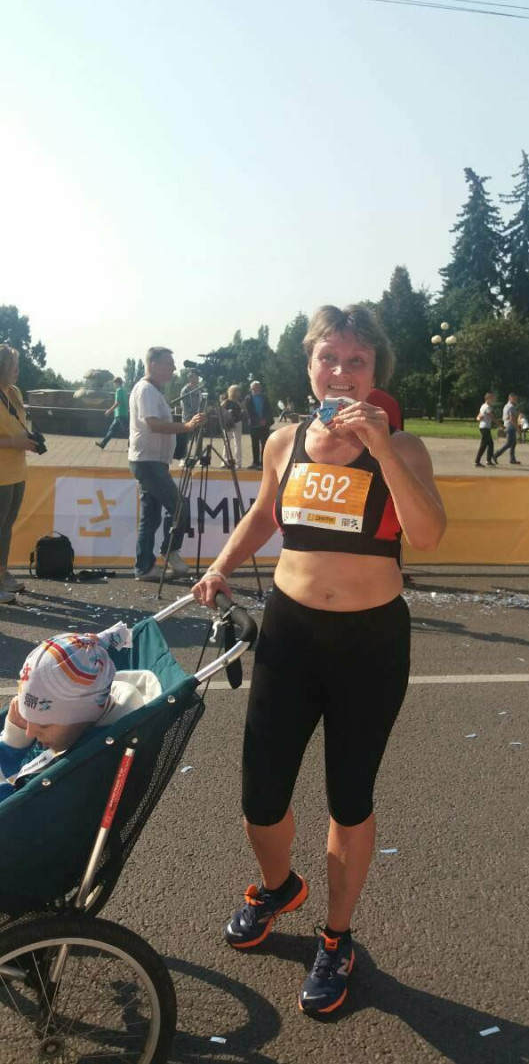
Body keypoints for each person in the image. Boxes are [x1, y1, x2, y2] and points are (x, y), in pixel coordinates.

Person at [193, 304, 446, 1016]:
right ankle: (279, 887)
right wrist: (220, 565)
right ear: (309, 366)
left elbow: (428, 535)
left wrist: (383, 449)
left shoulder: (406, 447)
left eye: (356, 361)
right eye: (328, 358)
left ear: (374, 373)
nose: (341, 371)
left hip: (370, 643)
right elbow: (264, 515)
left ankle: (336, 936)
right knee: (261, 794)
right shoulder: (284, 441)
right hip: (291, 633)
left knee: (349, 796)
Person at [0, 622, 160, 803]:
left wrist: (12, 747)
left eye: (43, 725)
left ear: (85, 714)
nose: (29, 732)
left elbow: (21, 807)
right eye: (26, 717)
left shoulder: (88, 762)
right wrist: (15, 737)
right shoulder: (73, 729)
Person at [128, 347, 206, 582]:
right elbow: (153, 424)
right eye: (169, 363)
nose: (173, 368)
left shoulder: (152, 390)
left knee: (150, 517)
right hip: (148, 461)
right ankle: (169, 551)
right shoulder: (146, 390)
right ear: (153, 364)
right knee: (179, 506)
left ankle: (144, 567)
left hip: (151, 460)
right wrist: (187, 426)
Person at [0, 345, 40, 605]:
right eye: (13, 366)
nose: (18, 371)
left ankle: (2, 574)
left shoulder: (13, 392)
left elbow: (19, 423)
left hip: (17, 470)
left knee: (6, 527)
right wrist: (14, 443)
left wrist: (29, 440)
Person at [245, 381, 274, 470]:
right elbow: (249, 412)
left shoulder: (265, 398)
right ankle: (255, 463)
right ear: (251, 389)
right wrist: (258, 421)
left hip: (264, 425)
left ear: (260, 388)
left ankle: (264, 464)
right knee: (255, 445)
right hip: (254, 425)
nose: (256, 389)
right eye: (254, 388)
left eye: (258, 387)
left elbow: (268, 410)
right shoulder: (248, 399)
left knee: (265, 445)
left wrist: (265, 420)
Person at [96, 376, 129, 450]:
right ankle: (103, 444)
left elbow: (117, 403)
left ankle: (132, 447)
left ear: (117, 383)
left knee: (127, 431)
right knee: (112, 430)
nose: (114, 384)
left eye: (114, 383)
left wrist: (109, 411)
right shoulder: (124, 390)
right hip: (121, 414)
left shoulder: (119, 390)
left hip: (120, 414)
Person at [494, 393, 521, 465]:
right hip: (510, 427)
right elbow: (512, 419)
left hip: (508, 426)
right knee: (509, 443)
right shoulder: (511, 407)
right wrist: (517, 428)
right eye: (514, 399)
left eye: (516, 399)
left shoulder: (506, 406)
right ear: (510, 399)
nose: (516, 400)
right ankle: (496, 454)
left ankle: (512, 458)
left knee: (513, 443)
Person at [223, 385, 245, 468]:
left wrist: (237, 402)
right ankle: (225, 461)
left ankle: (238, 462)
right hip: (228, 422)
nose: (237, 392)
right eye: (235, 391)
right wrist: (226, 401)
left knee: (238, 442)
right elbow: (220, 407)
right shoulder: (226, 399)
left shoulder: (240, 400)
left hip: (238, 422)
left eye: (238, 391)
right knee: (227, 442)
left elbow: (243, 408)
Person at [474, 391, 497, 467]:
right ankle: (477, 461)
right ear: (487, 398)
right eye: (491, 398)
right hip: (485, 428)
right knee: (484, 444)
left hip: (484, 427)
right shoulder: (487, 407)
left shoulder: (483, 406)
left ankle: (488, 460)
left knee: (490, 444)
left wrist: (478, 418)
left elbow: (478, 417)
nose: (493, 399)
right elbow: (493, 418)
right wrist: (501, 426)